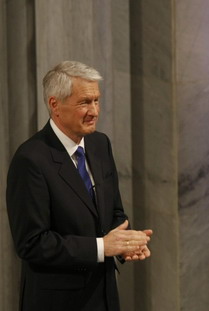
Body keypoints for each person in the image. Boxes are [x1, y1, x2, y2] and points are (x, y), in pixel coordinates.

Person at [6, 61, 152, 311]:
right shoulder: (31, 159)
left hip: (104, 296)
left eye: (96, 100)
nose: (94, 111)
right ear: (55, 105)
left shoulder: (100, 144)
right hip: (58, 302)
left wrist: (125, 242)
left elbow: (113, 212)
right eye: (85, 102)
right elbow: (31, 243)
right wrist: (102, 247)